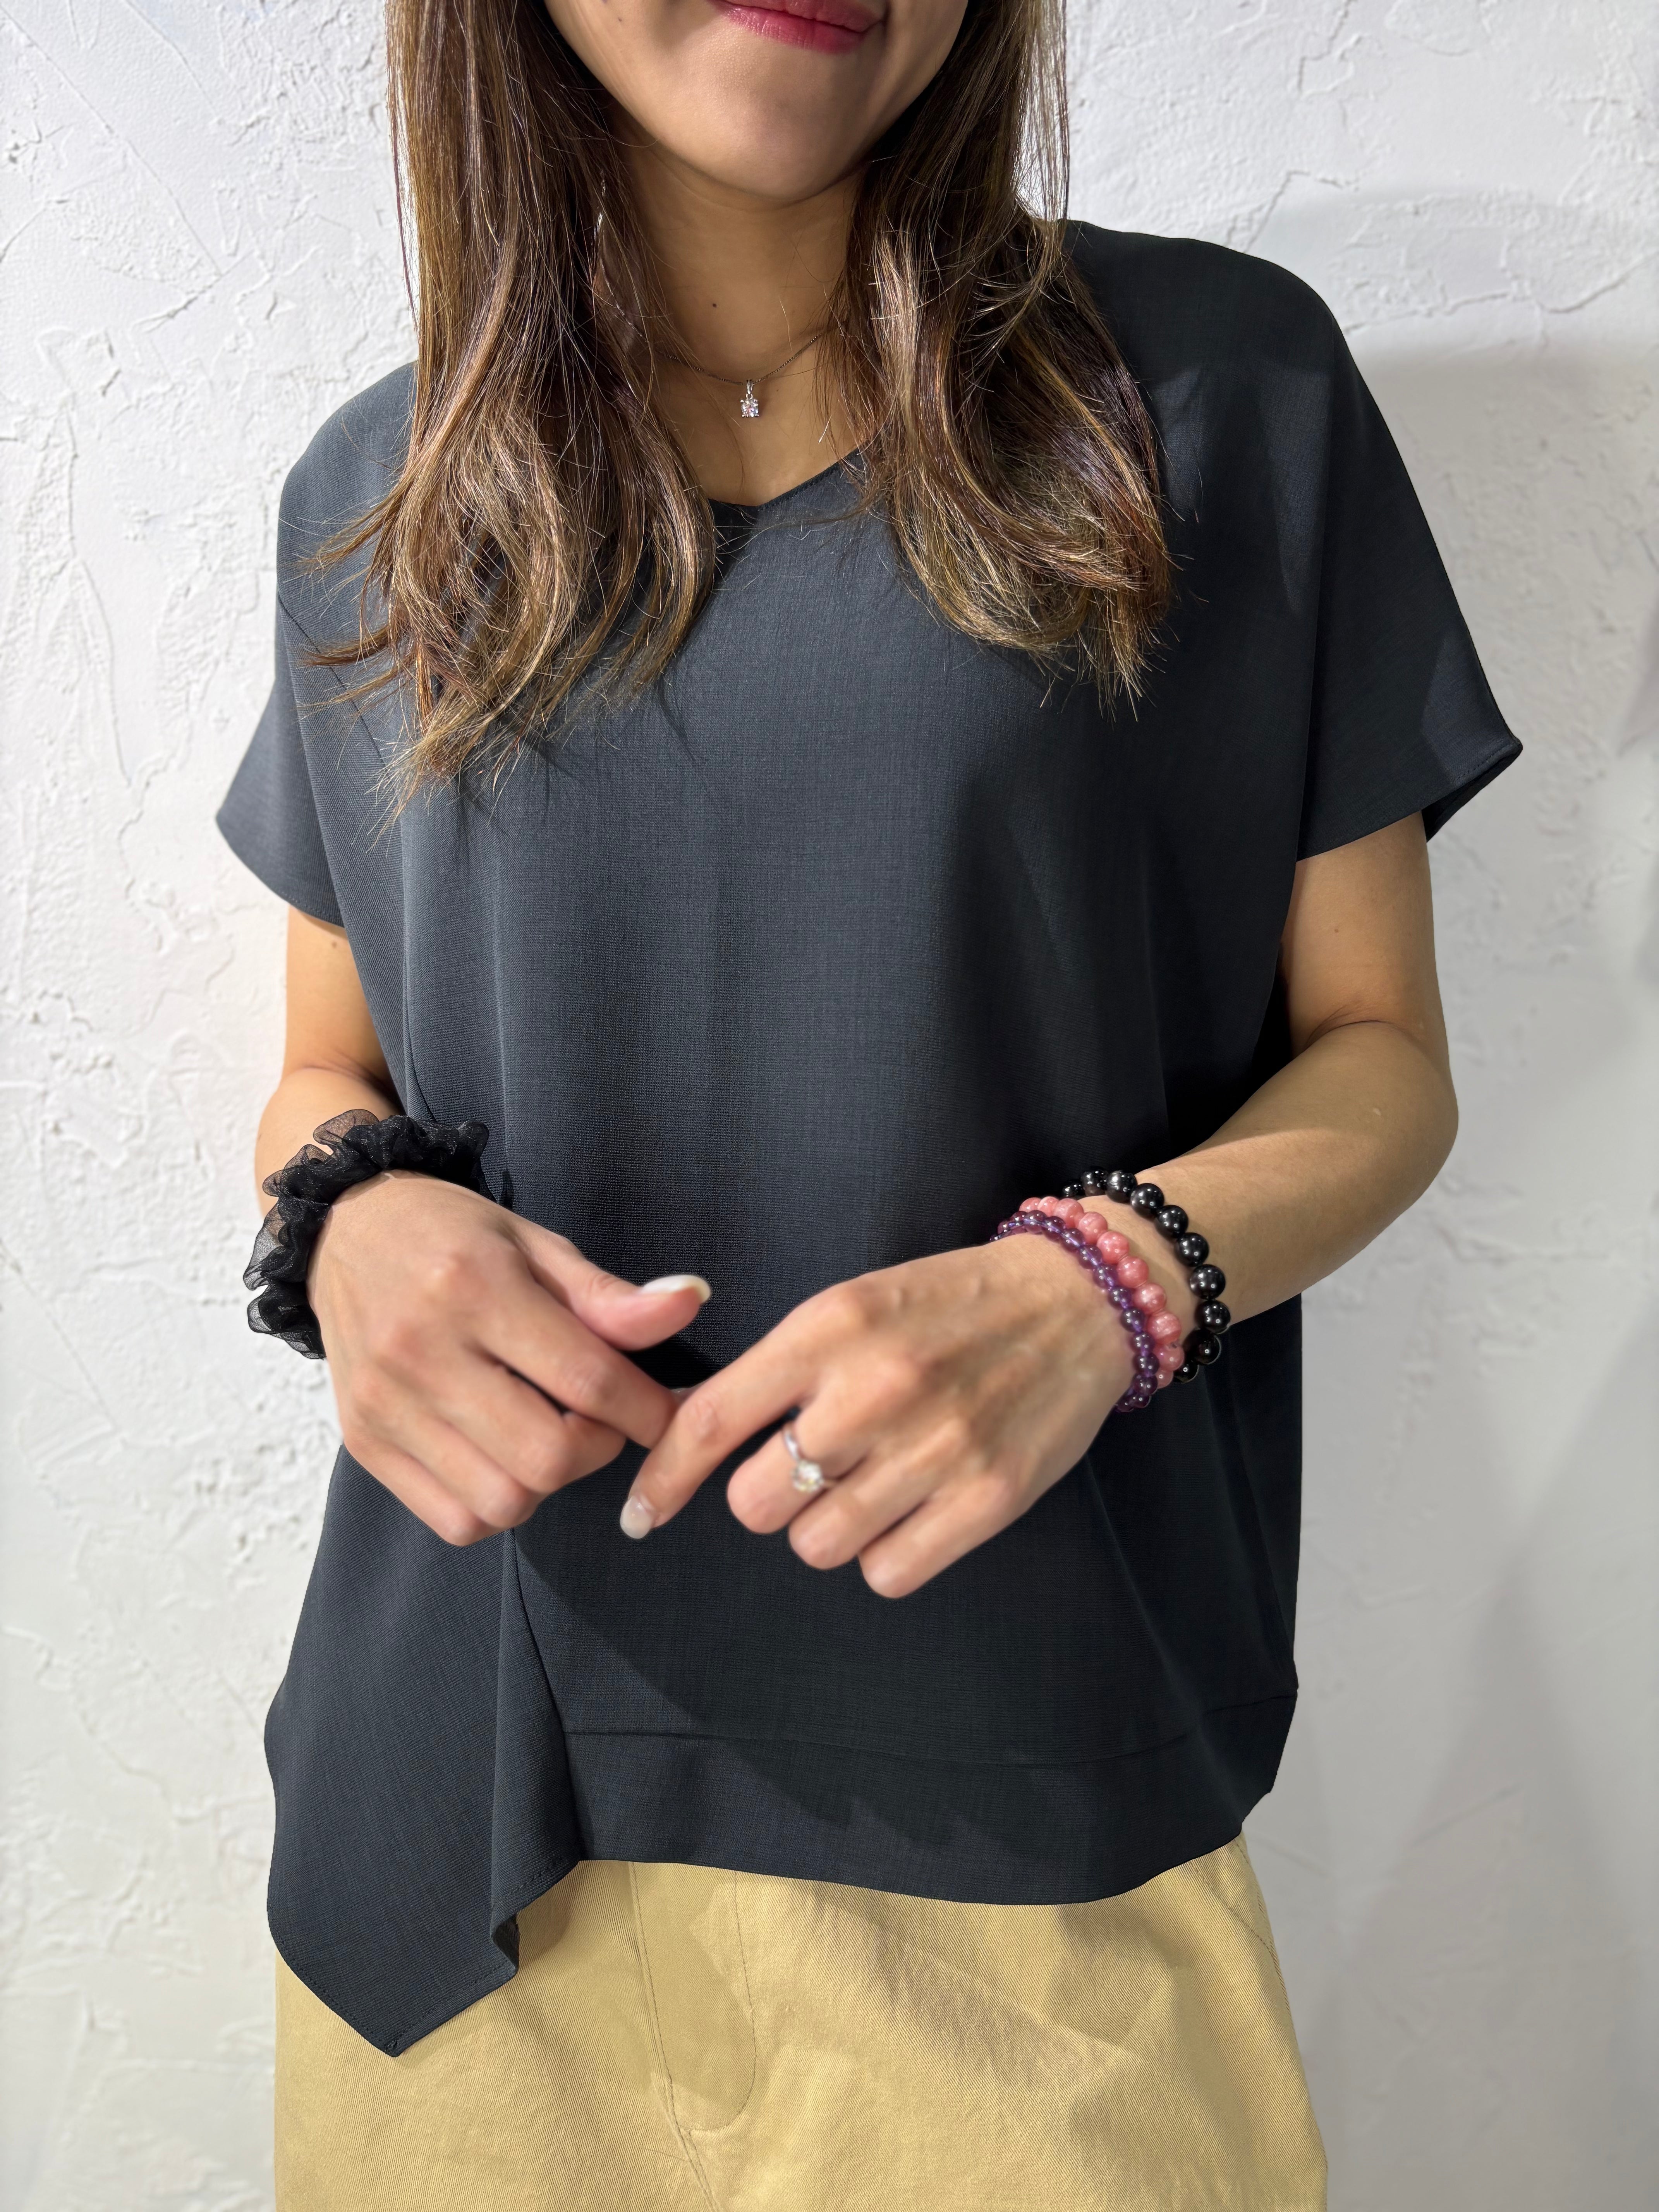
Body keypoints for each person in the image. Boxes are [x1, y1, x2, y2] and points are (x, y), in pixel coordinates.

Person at [217, 0, 1520, 2202]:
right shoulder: (382, 496)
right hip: (470, 1846)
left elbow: (1383, 1057)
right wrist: (351, 1223)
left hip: (1031, 1839)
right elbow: (322, 1081)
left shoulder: (1211, 397)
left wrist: (1108, 1287)